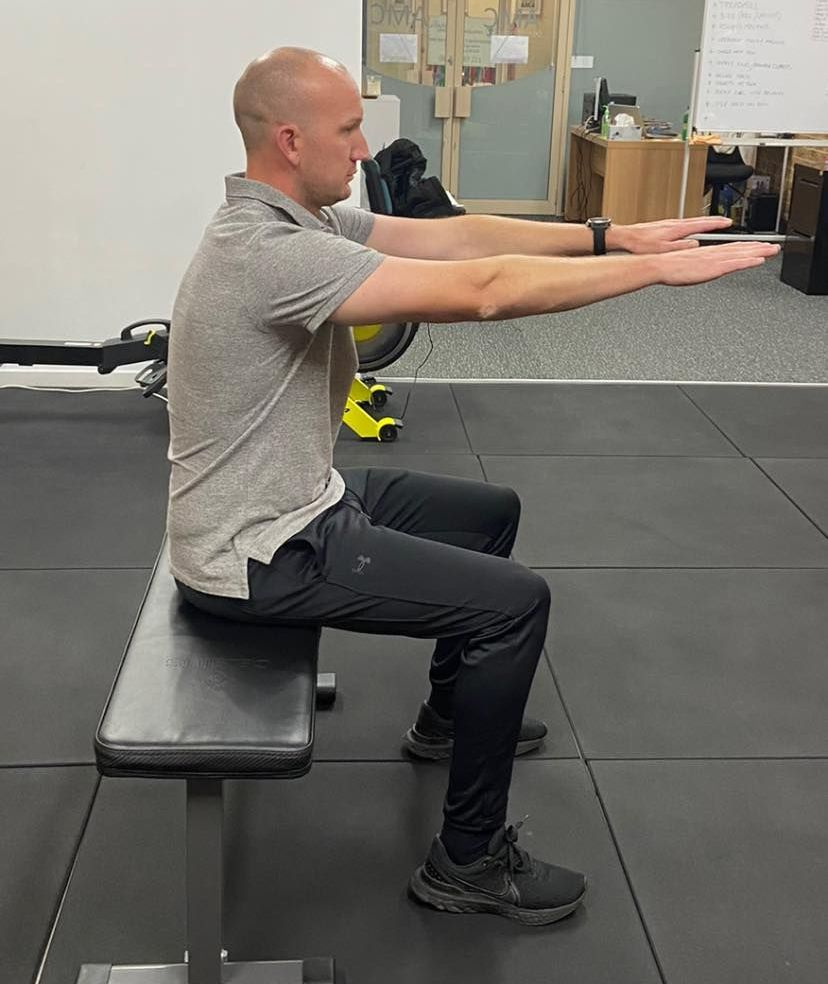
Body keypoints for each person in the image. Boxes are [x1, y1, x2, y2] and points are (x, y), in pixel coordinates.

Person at [166, 47, 779, 926]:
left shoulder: (302, 222)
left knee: (491, 516)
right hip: (255, 549)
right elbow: (484, 290)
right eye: (348, 128)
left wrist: (612, 235)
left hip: (293, 495)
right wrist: (651, 273)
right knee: (512, 605)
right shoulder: (267, 253)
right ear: (292, 140)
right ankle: (468, 862)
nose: (363, 144)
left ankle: (449, 722)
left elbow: (458, 235)